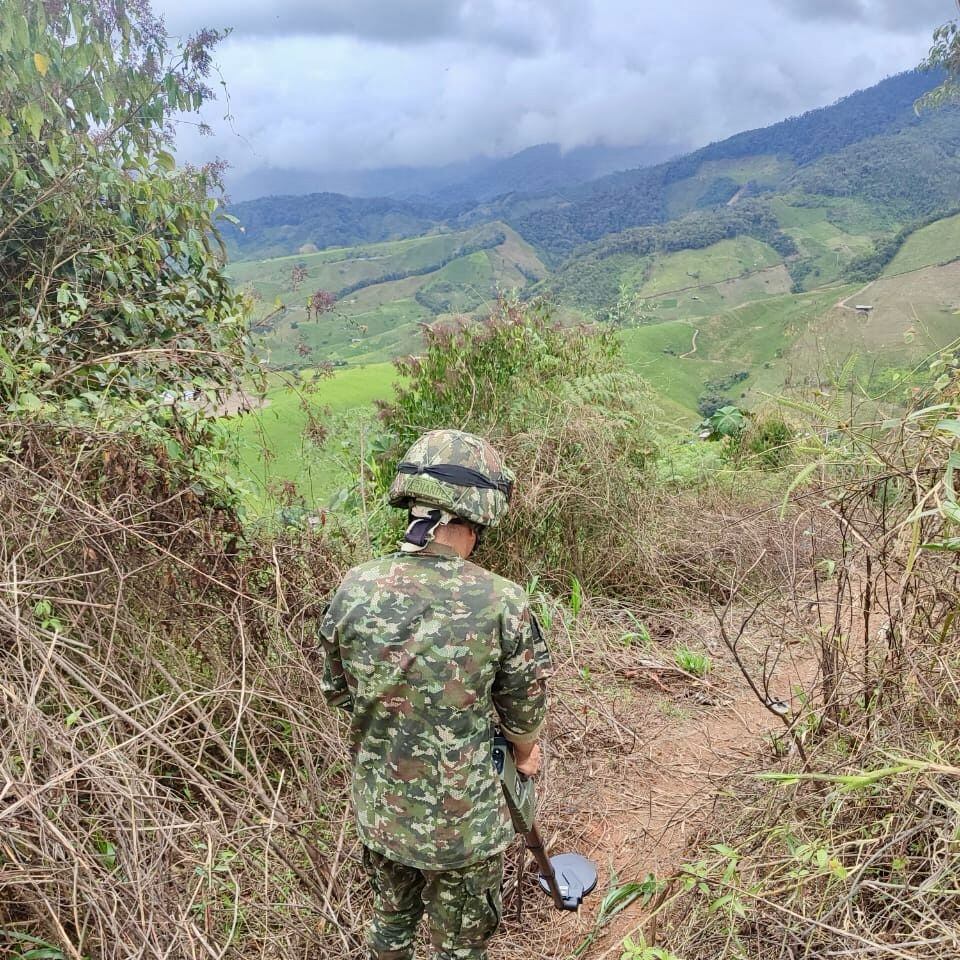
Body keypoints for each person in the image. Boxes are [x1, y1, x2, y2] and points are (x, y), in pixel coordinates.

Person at [319, 429, 552, 960]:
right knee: (460, 947)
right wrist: (524, 753)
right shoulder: (500, 600)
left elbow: (337, 690)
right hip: (465, 827)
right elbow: (524, 712)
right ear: (475, 518)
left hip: (382, 811)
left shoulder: (355, 585)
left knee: (390, 926)